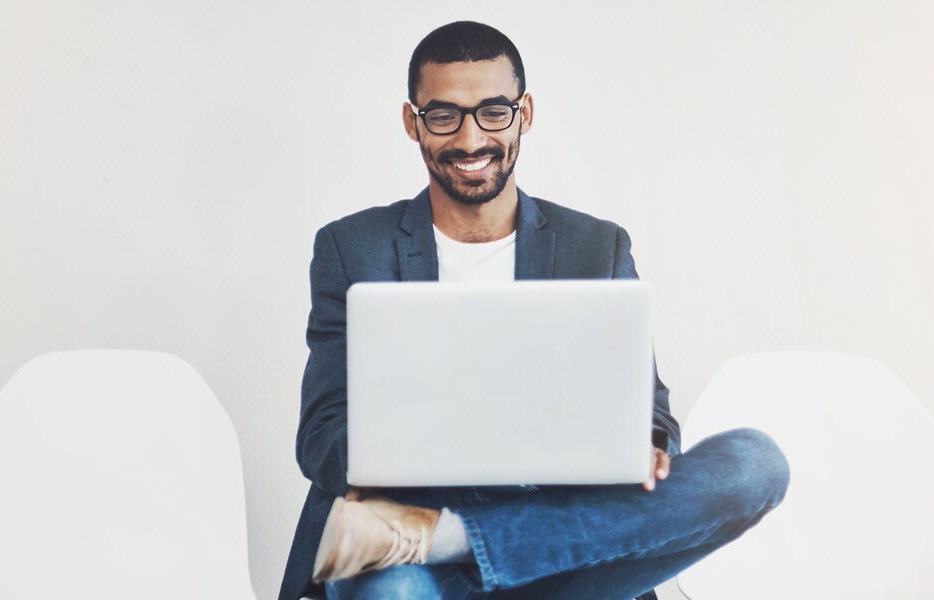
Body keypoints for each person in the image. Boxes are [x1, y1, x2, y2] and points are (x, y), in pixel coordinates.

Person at [278, 21, 790, 600]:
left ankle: (454, 539)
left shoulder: (596, 245)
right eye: (444, 115)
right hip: (406, 548)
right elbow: (320, 436)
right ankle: (449, 539)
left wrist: (643, 446)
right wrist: (395, 457)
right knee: (390, 593)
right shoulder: (353, 248)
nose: (471, 140)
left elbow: (651, 414)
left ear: (524, 113)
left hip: (553, 534)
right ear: (411, 122)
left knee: (754, 464)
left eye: (493, 112)